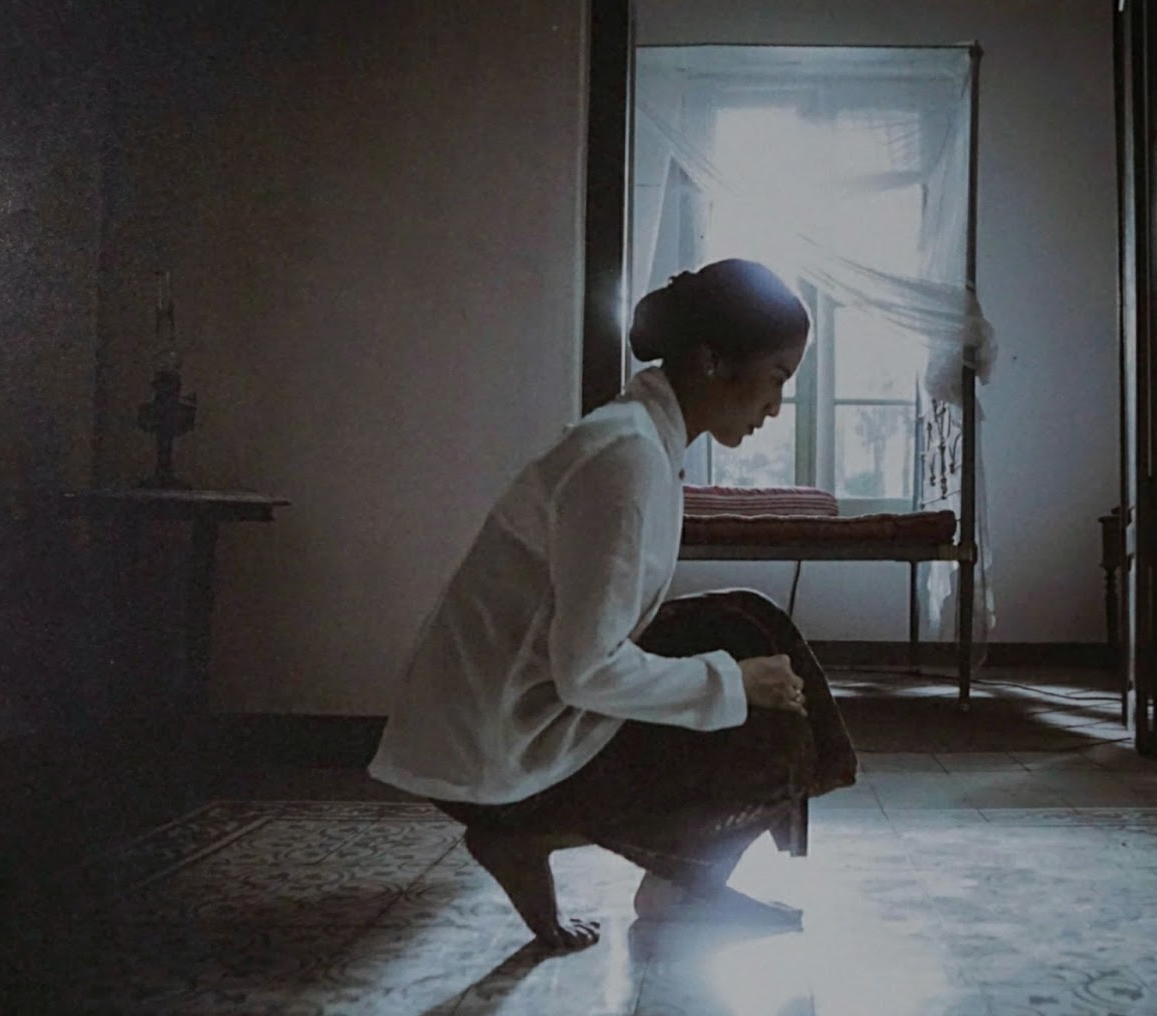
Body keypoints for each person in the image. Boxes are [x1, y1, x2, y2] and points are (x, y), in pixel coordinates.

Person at [368, 258, 859, 950]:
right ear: (711, 361)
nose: (777, 407)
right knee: (761, 711)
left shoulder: (638, 438)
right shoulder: (624, 458)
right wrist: (733, 682)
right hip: (497, 752)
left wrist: (733, 671)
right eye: (776, 378)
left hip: (511, 714)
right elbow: (586, 672)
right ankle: (532, 833)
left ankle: (675, 879)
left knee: (749, 626)